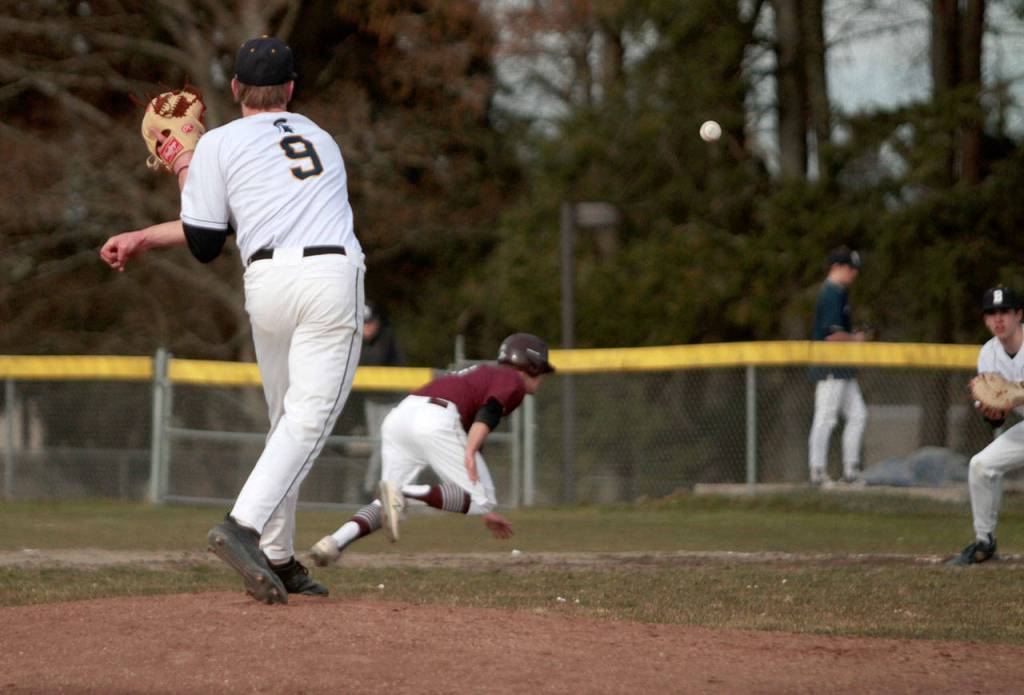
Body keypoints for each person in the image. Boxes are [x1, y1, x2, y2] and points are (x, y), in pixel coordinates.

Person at [100, 36, 364, 603]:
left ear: (237, 87)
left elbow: (206, 239)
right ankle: (243, 526)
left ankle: (277, 554)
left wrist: (184, 163)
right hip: (328, 279)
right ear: (291, 88)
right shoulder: (322, 138)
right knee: (308, 420)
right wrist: (151, 227)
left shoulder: (218, 143)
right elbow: (229, 223)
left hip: (267, 284)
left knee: (285, 422)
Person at [308, 333, 554, 565]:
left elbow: (475, 424)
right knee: (482, 499)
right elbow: (489, 411)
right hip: (436, 417)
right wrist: (471, 458)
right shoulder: (512, 379)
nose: (542, 378)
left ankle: (332, 543)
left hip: (401, 417)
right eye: (540, 370)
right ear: (529, 366)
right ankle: (405, 492)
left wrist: (477, 491)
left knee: (390, 506)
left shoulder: (483, 373)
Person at [949, 286, 1024, 565]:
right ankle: (984, 542)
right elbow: (997, 418)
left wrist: (1013, 394)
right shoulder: (989, 354)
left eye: (1004, 311)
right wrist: (993, 411)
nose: (998, 318)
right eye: (992, 313)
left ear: (1018, 314)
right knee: (981, 466)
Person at [807, 246, 868, 486]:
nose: (854, 273)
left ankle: (851, 471)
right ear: (837, 267)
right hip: (830, 366)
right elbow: (832, 335)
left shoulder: (839, 293)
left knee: (858, 414)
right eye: (850, 268)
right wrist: (856, 339)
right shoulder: (831, 293)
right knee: (826, 417)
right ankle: (817, 471)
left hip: (842, 367)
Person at [358, 301, 405, 494]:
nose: (366, 328)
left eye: (370, 323)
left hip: (392, 402)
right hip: (373, 401)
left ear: (377, 322)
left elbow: (375, 359)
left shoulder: (386, 336)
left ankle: (379, 489)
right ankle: (372, 490)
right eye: (363, 324)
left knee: (389, 446)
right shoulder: (359, 341)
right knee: (377, 446)